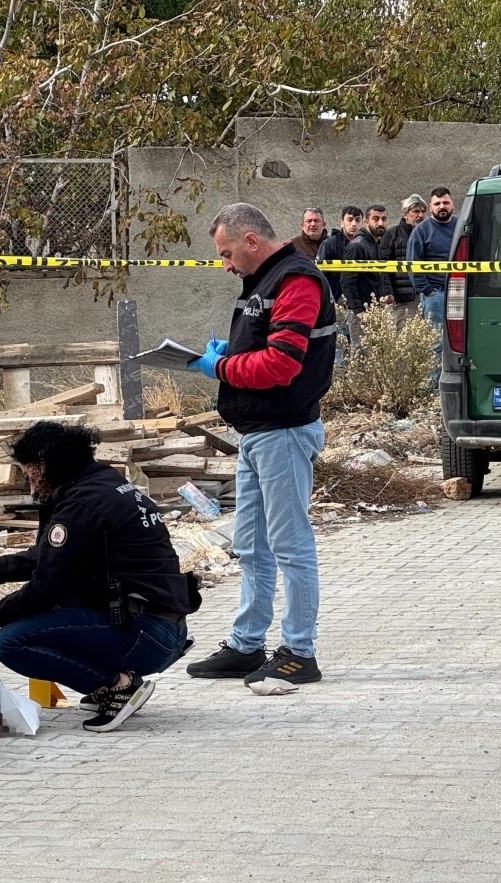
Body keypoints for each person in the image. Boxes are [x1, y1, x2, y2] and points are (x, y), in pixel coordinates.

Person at [0, 421, 198, 733]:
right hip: (163, 628)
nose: (30, 488)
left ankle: (117, 685)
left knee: (12, 641)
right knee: (54, 606)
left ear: (45, 464)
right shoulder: (102, 484)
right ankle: (113, 678)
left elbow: (44, 587)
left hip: (147, 635)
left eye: (29, 474)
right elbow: (48, 557)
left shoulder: (81, 504)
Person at [184, 203, 336, 695]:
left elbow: (281, 365)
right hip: (254, 433)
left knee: (290, 546)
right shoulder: (262, 282)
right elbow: (262, 345)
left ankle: (299, 653)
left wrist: (219, 370)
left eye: (227, 254)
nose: (225, 264)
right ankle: (247, 642)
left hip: (284, 431)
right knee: (250, 545)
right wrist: (230, 353)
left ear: (251, 241)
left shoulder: (296, 281)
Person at [408, 186, 456, 387]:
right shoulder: (421, 231)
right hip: (435, 295)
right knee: (436, 342)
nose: (442, 206)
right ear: (431, 207)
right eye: (437, 204)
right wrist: (427, 290)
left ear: (452, 204)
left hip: (460, 293)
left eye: (445, 202)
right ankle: (433, 385)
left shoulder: (462, 226)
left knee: (460, 341)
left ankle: (457, 383)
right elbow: (413, 265)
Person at [341, 204, 391, 348]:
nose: (380, 223)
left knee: (374, 354)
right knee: (360, 354)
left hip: (375, 308)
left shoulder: (375, 243)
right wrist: (358, 310)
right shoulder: (358, 245)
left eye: (384, 219)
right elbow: (347, 281)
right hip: (361, 312)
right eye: (375, 219)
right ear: (366, 222)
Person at [379, 194, 426, 330]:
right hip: (402, 299)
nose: (421, 215)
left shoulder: (427, 233)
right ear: (405, 214)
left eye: (423, 211)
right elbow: (383, 266)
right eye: (416, 211)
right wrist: (388, 292)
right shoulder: (391, 235)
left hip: (424, 296)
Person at [315, 205, 363, 303]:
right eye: (349, 220)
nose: (353, 224)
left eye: (357, 220)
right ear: (342, 223)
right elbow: (320, 275)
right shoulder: (329, 244)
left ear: (362, 223)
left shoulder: (366, 245)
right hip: (334, 301)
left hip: (362, 302)